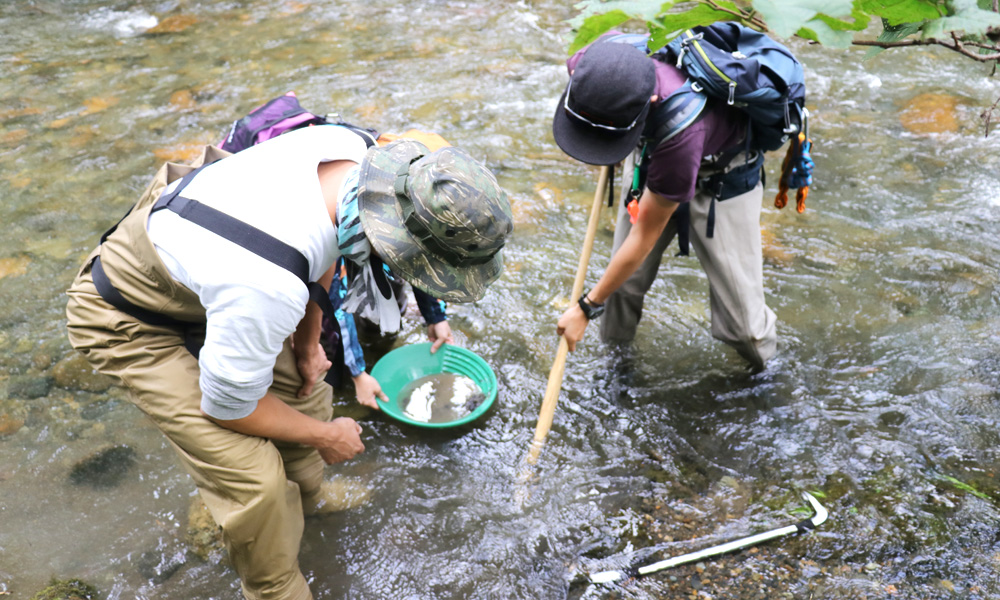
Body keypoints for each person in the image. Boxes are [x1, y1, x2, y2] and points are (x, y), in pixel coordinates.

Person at [65, 125, 512, 600]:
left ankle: (312, 497)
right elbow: (227, 409)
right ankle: (275, 587)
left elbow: (326, 245)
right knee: (255, 479)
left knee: (309, 384)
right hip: (130, 315)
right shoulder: (266, 284)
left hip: (214, 270)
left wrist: (307, 340)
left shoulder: (359, 162)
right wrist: (327, 436)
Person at [552, 34, 777, 370]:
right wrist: (606, 136)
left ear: (651, 101)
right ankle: (619, 369)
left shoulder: (682, 133)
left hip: (719, 178)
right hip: (650, 150)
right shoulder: (588, 64)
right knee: (620, 292)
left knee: (744, 328)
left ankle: (767, 380)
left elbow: (644, 235)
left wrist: (585, 308)